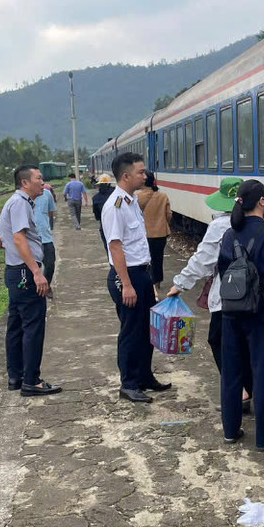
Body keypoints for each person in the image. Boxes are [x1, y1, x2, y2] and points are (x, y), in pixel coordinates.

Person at [217, 179, 264, 452]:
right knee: (262, 374)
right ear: (262, 201)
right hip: (262, 314)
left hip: (231, 313)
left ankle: (230, 431)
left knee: (231, 373)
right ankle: (263, 437)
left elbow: (222, 273)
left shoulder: (229, 235)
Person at [167, 177, 253, 413]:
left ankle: (240, 392)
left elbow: (203, 261)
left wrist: (180, 284)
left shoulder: (220, 226)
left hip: (227, 297)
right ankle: (248, 389)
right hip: (255, 297)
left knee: (219, 341)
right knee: (247, 345)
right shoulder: (259, 222)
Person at [102, 152, 170, 404]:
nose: (145, 175)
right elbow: (116, 247)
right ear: (126, 175)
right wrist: (127, 285)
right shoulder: (116, 206)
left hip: (141, 273)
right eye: (141, 172)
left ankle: (144, 376)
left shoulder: (131, 201)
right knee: (131, 332)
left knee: (146, 329)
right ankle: (128, 383)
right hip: (126, 276)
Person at [0, 165, 62, 396]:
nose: (43, 182)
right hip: (25, 272)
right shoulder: (20, 203)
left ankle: (16, 376)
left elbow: (9, 235)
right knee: (33, 326)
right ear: (25, 183)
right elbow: (19, 239)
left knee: (15, 326)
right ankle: (31, 380)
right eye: (39, 178)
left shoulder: (18, 202)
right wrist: (36, 272)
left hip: (16, 272)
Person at [136, 170, 172, 288]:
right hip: (160, 233)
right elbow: (168, 214)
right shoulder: (163, 195)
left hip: (145, 234)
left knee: (146, 259)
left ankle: (148, 281)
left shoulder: (137, 197)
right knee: (158, 258)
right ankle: (157, 282)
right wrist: (162, 223)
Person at [33, 182, 58, 287]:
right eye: (38, 179)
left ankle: (46, 285)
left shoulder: (47, 194)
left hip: (45, 236)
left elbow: (50, 210)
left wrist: (48, 224)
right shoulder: (22, 199)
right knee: (33, 266)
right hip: (31, 238)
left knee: (50, 264)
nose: (42, 182)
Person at [91, 173, 115, 252]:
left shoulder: (96, 198)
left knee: (108, 248)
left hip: (104, 226)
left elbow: (97, 216)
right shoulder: (116, 193)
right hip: (118, 224)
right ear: (109, 183)